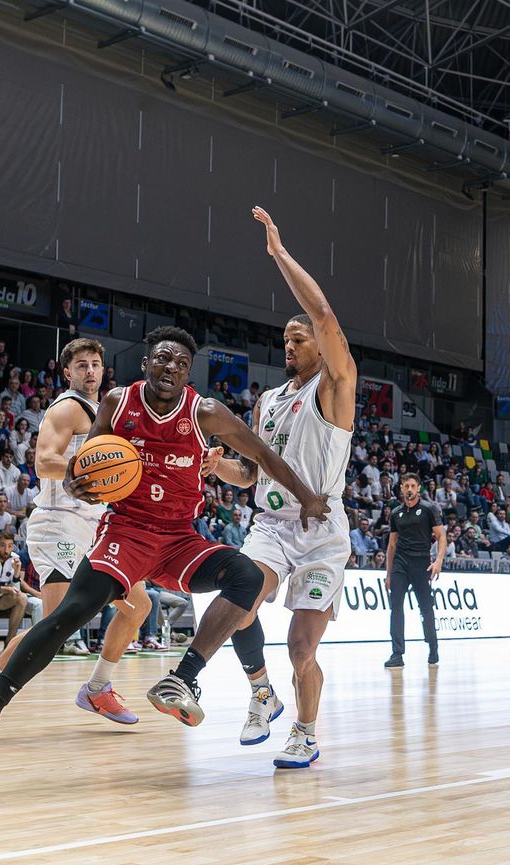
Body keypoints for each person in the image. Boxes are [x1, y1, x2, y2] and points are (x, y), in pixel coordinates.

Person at [0, 325, 328, 762]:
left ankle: (182, 678)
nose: (172, 368)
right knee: (67, 616)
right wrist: (77, 484)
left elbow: (263, 455)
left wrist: (307, 496)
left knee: (245, 575)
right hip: (125, 532)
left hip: (179, 539)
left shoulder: (206, 413)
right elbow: (82, 468)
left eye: (182, 364)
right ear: (146, 364)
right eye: (164, 359)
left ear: (189, 374)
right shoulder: (117, 402)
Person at [150, 207, 354, 769]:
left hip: (320, 531)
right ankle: (262, 694)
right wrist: (224, 470)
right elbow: (256, 477)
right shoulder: (267, 402)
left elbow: (325, 312)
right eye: (284, 340)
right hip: (270, 524)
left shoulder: (336, 386)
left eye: (298, 338)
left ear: (319, 345)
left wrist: (279, 255)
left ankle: (306, 733)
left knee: (301, 648)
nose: (288, 346)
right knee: (239, 600)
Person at [0, 337, 151, 720]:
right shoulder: (68, 408)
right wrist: (87, 470)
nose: (90, 370)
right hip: (58, 522)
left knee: (138, 606)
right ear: (67, 372)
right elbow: (44, 461)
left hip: (97, 524)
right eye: (81, 365)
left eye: (95, 363)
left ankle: (98, 688)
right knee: (54, 625)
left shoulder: (106, 410)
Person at [382, 473, 447, 668]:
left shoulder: (429, 509)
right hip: (401, 563)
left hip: (421, 563)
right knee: (396, 608)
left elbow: (442, 537)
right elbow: (392, 545)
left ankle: (433, 645)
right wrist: (388, 574)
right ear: (401, 488)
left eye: (413, 486)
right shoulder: (395, 513)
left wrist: (438, 561)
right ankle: (397, 653)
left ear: (418, 488)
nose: (409, 489)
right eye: (406, 486)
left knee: (426, 608)